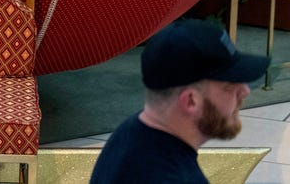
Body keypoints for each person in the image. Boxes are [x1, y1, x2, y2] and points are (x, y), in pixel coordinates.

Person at [89, 19, 269, 184]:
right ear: (191, 101)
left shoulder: (129, 133)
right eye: (230, 86)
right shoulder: (175, 178)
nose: (245, 91)